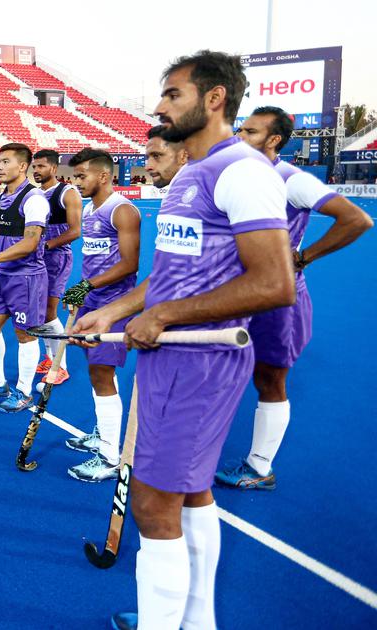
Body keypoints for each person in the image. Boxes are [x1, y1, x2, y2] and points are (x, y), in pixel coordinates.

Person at [73, 51, 295, 630]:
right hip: (172, 351)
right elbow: (168, 275)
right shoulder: (187, 177)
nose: (160, 106)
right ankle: (189, 621)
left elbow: (275, 283)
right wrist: (116, 312)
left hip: (201, 358)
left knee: (152, 502)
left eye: (172, 95)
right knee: (192, 494)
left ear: (214, 97)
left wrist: (166, 315)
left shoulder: (242, 170)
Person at [215, 105, 372, 490]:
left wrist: (304, 257)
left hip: (277, 300)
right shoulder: (238, 175)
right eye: (240, 130)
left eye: (250, 132)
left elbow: (357, 219)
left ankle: (259, 467)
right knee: (224, 371)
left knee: (270, 379)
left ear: (274, 141)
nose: (239, 138)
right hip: (239, 293)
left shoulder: (291, 179)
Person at [58, 148, 141, 482]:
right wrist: (82, 289)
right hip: (93, 299)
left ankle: (109, 456)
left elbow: (129, 264)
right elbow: (96, 259)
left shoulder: (122, 211)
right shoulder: (91, 209)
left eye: (81, 176)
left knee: (103, 373)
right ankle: (101, 432)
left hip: (116, 303)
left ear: (104, 176)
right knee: (97, 371)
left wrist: (87, 284)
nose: (76, 182)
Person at [0, 143, 49, 413]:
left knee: (25, 335)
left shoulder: (35, 199)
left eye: (6, 162)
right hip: (1, 276)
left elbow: (30, 242)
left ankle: (25, 391)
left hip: (26, 277)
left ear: (22, 166)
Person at [30, 149, 82, 383]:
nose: (36, 170)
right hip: (37, 258)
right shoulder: (34, 194)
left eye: (41, 166)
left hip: (56, 258)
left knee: (49, 311)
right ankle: (50, 357)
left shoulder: (67, 193)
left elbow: (75, 231)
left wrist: (47, 245)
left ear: (53, 168)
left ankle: (61, 365)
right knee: (39, 311)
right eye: (34, 166)